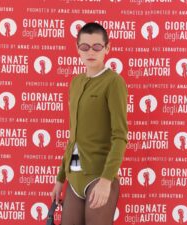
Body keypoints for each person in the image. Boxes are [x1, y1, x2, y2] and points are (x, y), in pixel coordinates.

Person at [51, 22, 128, 225]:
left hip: (99, 175)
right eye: (85, 47)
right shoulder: (76, 83)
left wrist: (106, 181)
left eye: (97, 47)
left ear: (107, 48)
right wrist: (60, 178)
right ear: (78, 49)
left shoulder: (113, 82)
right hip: (74, 176)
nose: (90, 52)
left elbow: (120, 136)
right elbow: (73, 136)